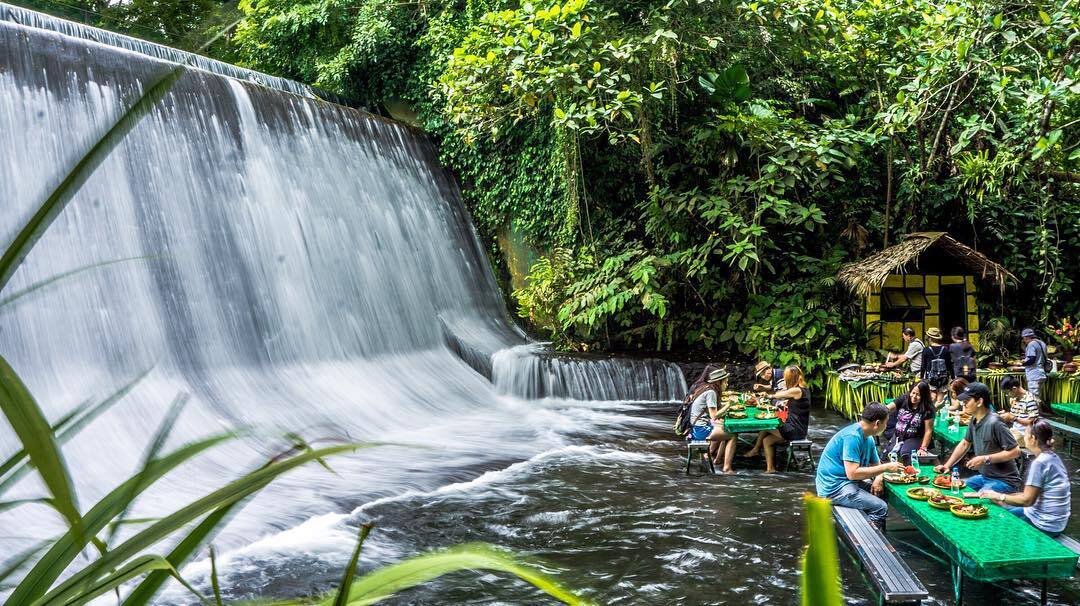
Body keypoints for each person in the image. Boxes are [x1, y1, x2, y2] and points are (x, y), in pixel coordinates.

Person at [815, 402, 905, 527]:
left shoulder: (868, 438)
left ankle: (869, 528)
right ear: (877, 423)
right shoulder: (852, 437)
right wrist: (886, 467)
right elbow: (852, 474)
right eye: (886, 423)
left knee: (881, 492)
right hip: (834, 488)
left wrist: (878, 478)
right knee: (880, 507)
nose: (887, 426)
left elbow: (876, 464)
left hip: (847, 482)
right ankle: (872, 541)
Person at [978, 419, 1071, 537]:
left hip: (1044, 524)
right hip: (1056, 522)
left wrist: (999, 496)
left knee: (995, 520)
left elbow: (1027, 500)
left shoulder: (1040, 463)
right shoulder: (1053, 457)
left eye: (1025, 434)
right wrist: (1002, 498)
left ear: (1032, 438)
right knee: (1004, 507)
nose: (1024, 436)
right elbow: (1031, 495)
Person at [934, 382, 1021, 494]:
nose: (963, 403)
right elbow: (965, 443)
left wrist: (984, 459)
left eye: (967, 401)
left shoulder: (995, 422)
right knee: (956, 490)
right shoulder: (974, 420)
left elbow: (1015, 451)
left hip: (1005, 481)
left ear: (979, 402)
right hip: (984, 477)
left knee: (978, 499)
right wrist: (947, 466)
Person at [743, 366, 811, 473]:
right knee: (767, 440)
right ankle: (770, 469)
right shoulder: (803, 389)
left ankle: (755, 450)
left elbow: (780, 395)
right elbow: (786, 404)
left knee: (765, 424)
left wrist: (768, 396)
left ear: (790, 378)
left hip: (795, 430)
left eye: (785, 377)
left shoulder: (797, 390)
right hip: (796, 427)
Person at [686, 368, 739, 473]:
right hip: (699, 430)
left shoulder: (705, 388)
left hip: (695, 427)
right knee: (733, 435)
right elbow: (714, 416)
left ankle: (717, 459)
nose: (727, 384)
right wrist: (729, 405)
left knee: (724, 426)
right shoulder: (711, 393)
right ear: (719, 382)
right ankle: (727, 468)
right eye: (725, 381)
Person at [884, 382, 935, 463]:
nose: (914, 397)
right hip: (898, 435)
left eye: (918, 395)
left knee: (906, 454)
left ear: (924, 396)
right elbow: (888, 408)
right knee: (886, 456)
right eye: (913, 393)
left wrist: (923, 448)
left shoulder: (928, 409)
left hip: (915, 437)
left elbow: (928, 430)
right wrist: (877, 412)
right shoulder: (904, 399)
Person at [999, 375, 1039, 441]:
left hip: (1025, 434)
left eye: (1007, 392)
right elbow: (1015, 415)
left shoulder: (1030, 400)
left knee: (1003, 442)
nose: (1007, 395)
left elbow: (1031, 423)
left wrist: (1013, 418)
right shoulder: (1015, 398)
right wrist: (1006, 414)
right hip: (1015, 431)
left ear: (1014, 389)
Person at [920, 327, 953, 406]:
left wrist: (921, 377)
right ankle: (939, 411)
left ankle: (931, 413)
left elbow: (923, 366)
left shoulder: (926, 350)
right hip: (943, 378)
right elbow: (949, 365)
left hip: (930, 378)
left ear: (930, 338)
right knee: (941, 397)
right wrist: (953, 377)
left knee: (932, 395)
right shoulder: (945, 349)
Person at [1020, 328, 1049, 406]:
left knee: (1033, 396)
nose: (1024, 341)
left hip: (1034, 374)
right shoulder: (1042, 343)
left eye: (1024, 339)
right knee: (1037, 395)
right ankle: (1039, 412)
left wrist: (1022, 363)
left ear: (1026, 337)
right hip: (1041, 372)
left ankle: (1035, 414)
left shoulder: (1031, 344)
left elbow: (1032, 359)